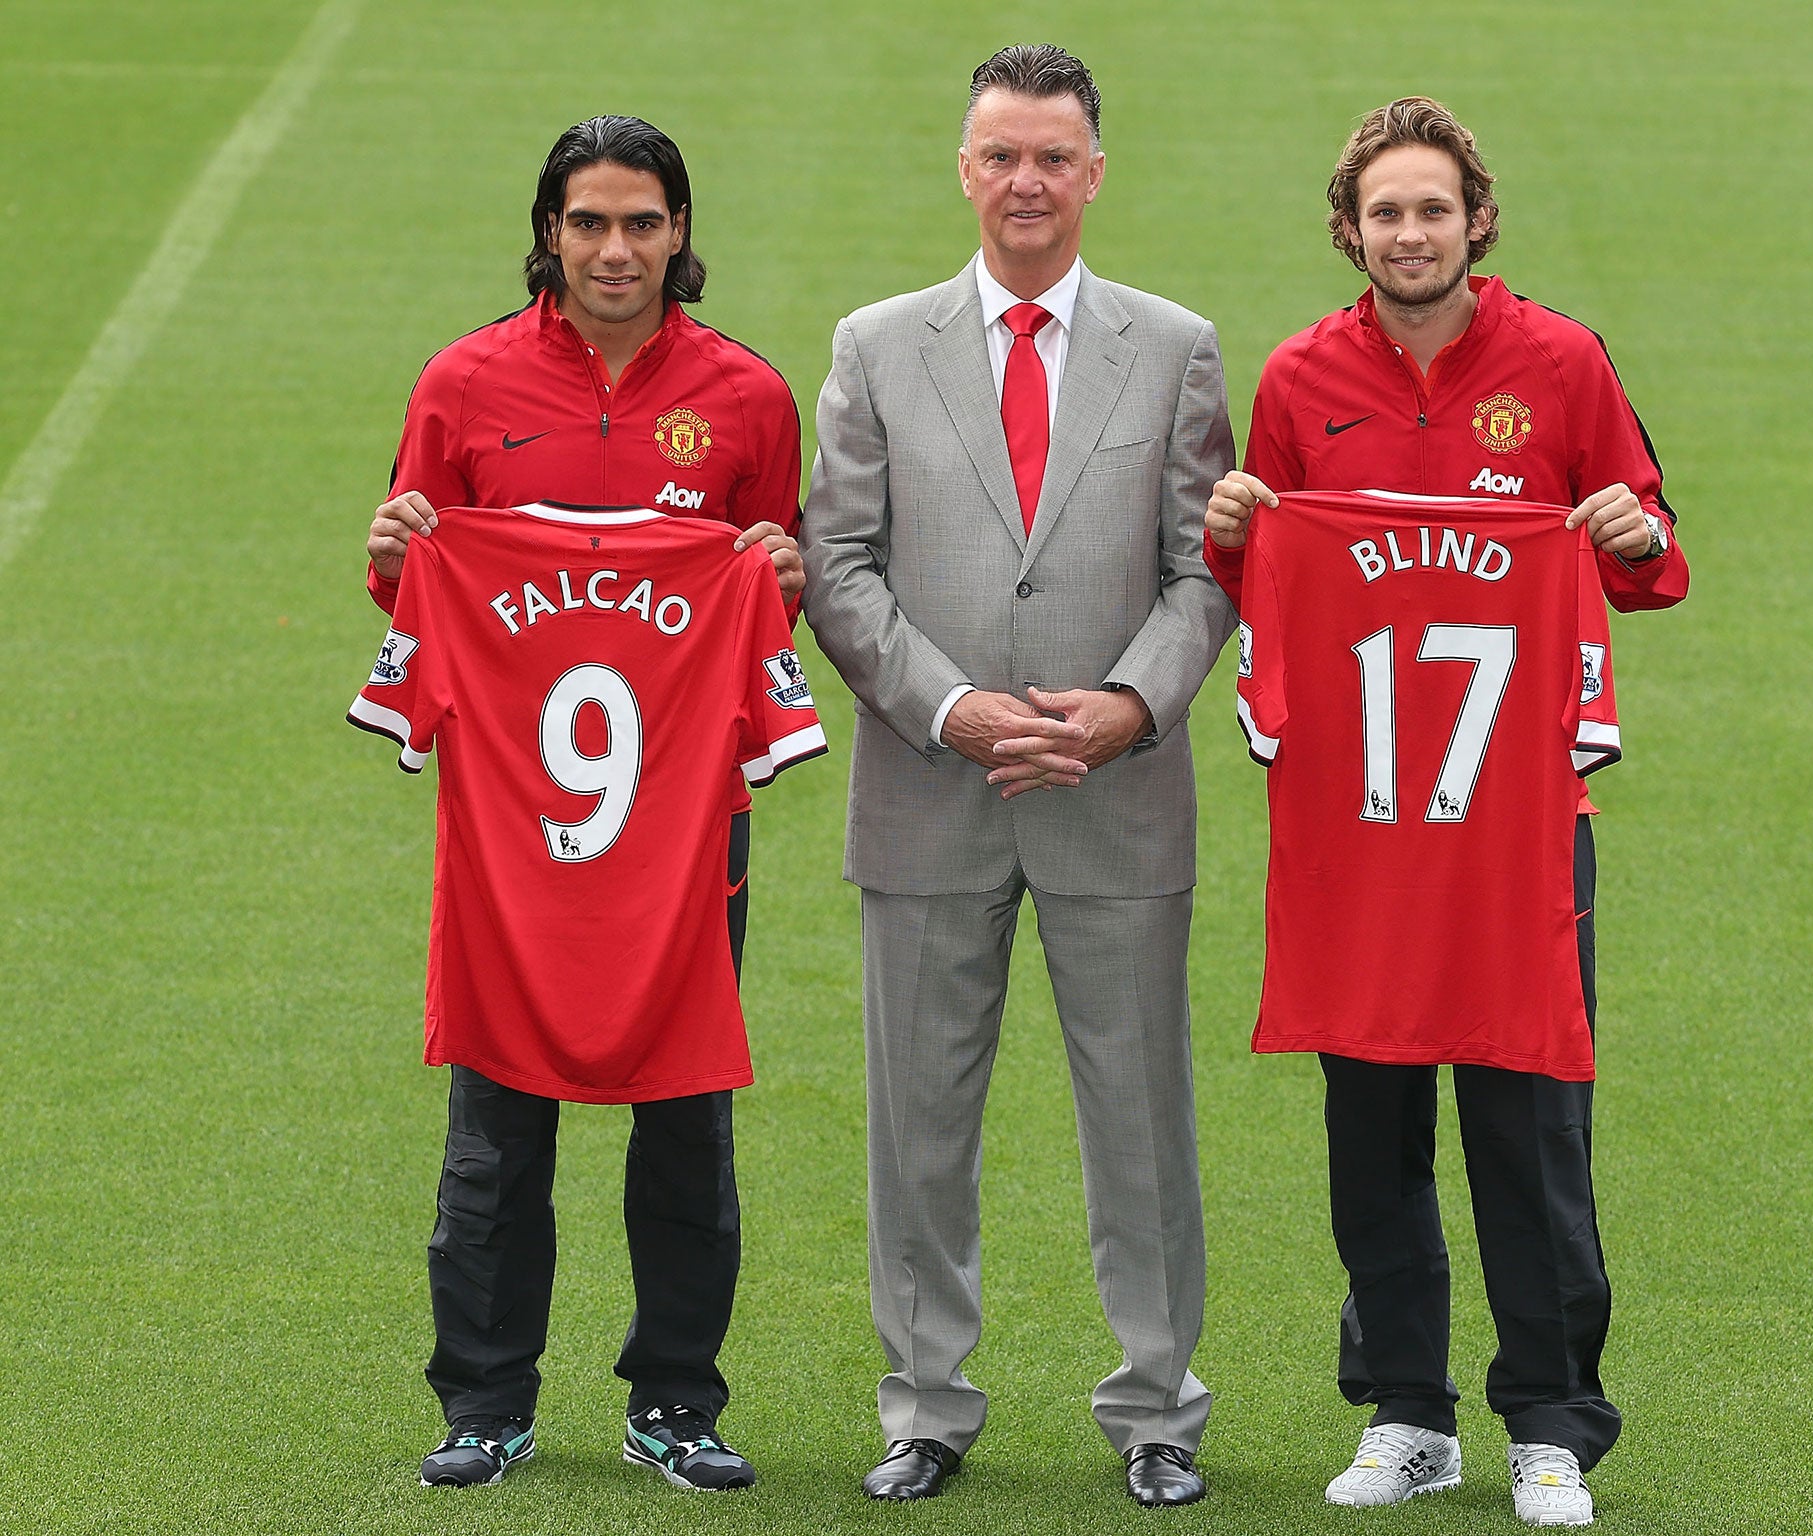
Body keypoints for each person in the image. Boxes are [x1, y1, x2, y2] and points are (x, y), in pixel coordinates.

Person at [1204, 97, 1689, 1528]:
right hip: (1358, 831)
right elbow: (1267, 592)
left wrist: (1632, 533)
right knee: (1372, 1121)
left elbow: (1655, 559)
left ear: (1476, 220)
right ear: (1348, 232)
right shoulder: (1302, 379)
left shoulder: (1561, 364)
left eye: (1433, 208)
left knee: (1531, 1120)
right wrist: (1235, 536)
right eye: (1384, 212)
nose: (1409, 233)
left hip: (1522, 832)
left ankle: (1550, 1418)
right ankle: (1407, 1411)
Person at [799, 43, 1235, 1510]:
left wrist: (1126, 706)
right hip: (930, 795)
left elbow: (1206, 571)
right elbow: (839, 566)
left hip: (1118, 795)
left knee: (1144, 1125)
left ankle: (1158, 1409)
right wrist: (954, 708)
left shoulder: (1175, 347)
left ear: (1095, 171)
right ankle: (925, 1406)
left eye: (1053, 156)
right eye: (1001, 155)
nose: (1027, 182)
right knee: (916, 1127)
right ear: (964, 166)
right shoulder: (874, 344)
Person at [360, 115, 805, 1492]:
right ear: (548, 231)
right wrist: (396, 560)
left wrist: (776, 577)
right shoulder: (464, 384)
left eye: (644, 223)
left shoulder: (745, 397)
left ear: (682, 233)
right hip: (510, 848)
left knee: (687, 1124)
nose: (617, 250)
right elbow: (419, 604)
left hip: (684, 846)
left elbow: (777, 613)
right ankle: (483, 1403)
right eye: (590, 223)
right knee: (496, 1130)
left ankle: (678, 1401)